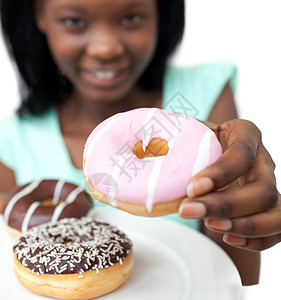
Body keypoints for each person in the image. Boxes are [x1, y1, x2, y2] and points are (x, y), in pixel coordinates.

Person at [0, 0, 279, 286]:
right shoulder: (11, 143)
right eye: (74, 21)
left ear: (161, 12)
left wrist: (238, 199)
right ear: (39, 15)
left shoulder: (203, 99)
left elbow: (234, 281)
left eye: (131, 17)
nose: (105, 48)